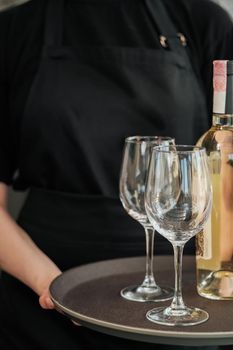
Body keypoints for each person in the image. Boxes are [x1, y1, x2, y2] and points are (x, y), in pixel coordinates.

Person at [0, 0, 232, 349]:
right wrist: (50, 284)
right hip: (40, 292)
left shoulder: (202, 21)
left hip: (181, 298)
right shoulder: (15, 29)